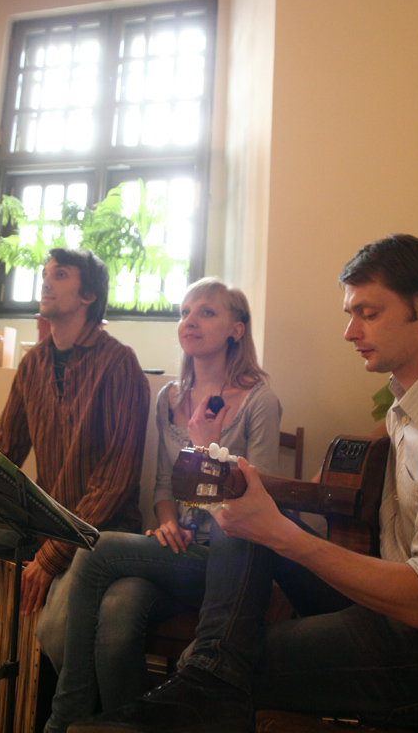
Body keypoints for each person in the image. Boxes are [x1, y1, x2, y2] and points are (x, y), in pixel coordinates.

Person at [81, 234, 418, 733]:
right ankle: (208, 674)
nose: (349, 331)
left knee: (217, 661)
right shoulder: (405, 407)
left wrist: (281, 533)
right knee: (242, 523)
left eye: (368, 312)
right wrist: (234, 486)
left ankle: (204, 679)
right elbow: (195, 491)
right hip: (384, 601)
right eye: (350, 313)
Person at [44, 277, 282, 733]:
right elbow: (162, 486)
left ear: (236, 329)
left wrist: (206, 448)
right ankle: (121, 724)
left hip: (229, 561)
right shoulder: (168, 397)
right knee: (117, 609)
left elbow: (260, 502)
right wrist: (167, 523)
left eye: (206, 312)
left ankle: (65, 717)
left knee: (96, 548)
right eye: (185, 312)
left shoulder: (260, 400)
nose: (190, 321)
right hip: (177, 552)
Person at [0, 247, 150, 673]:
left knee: (55, 630)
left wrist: (51, 556)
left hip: (101, 535)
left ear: (88, 296)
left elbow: (115, 481)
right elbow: (0, 452)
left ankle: (48, 691)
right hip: (39, 524)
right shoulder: (34, 363)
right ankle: (21, 676)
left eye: (60, 274)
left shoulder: (120, 363)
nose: (45, 281)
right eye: (45, 274)